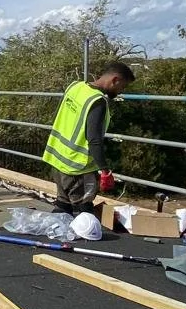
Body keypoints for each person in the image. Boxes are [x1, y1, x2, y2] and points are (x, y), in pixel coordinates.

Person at [43, 61, 136, 215]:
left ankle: (58, 234)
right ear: (115, 80)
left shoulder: (75, 86)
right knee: (83, 209)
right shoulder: (97, 101)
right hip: (78, 167)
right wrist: (104, 171)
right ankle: (83, 237)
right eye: (122, 86)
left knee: (63, 203)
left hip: (58, 161)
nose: (121, 91)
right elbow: (94, 140)